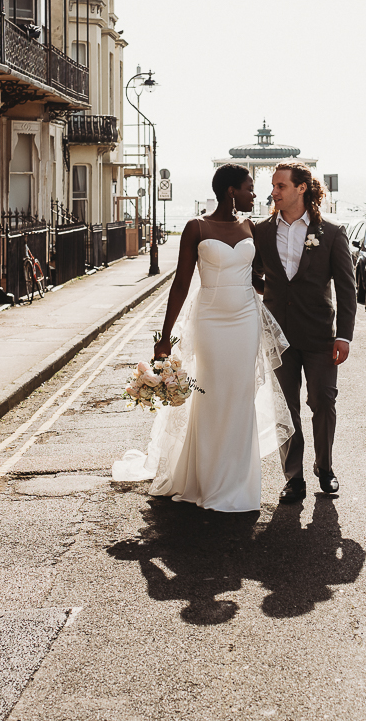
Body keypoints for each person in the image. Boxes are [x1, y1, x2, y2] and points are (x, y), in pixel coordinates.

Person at [112, 164, 292, 512]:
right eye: (248, 187)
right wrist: (165, 337)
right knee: (211, 395)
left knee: (240, 396)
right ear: (230, 191)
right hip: (210, 320)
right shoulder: (196, 227)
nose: (255, 194)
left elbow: (258, 279)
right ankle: (206, 480)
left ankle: (238, 483)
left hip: (245, 320)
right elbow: (181, 282)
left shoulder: (249, 226)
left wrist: (290, 300)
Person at [252, 162, 356, 504]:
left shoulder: (332, 232)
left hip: (320, 336)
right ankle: (293, 478)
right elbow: (251, 273)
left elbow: (346, 288)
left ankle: (324, 468)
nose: (274, 192)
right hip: (278, 335)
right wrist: (269, 297)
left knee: (323, 401)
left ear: (301, 189)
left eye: (281, 186)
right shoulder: (262, 232)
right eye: (273, 186)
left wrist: (344, 335)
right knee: (286, 407)